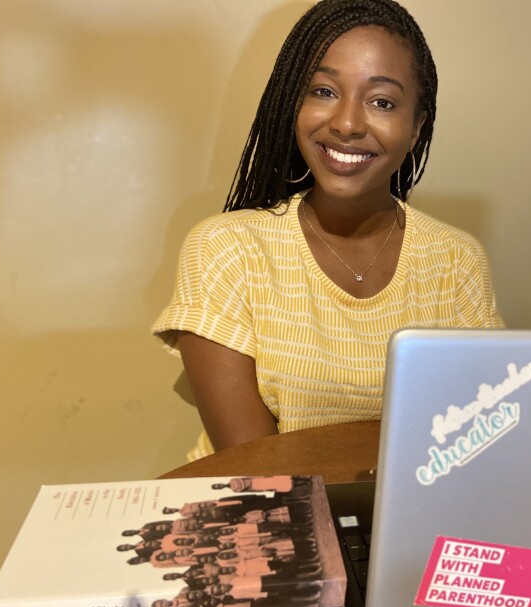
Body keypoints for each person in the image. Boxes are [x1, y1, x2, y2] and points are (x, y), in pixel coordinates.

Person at [153, 0, 503, 456]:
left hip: (400, 517)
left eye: (382, 101)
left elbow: (476, 439)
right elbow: (256, 467)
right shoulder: (226, 249)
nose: (348, 123)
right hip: (264, 514)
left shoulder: (456, 261)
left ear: (416, 127)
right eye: (323, 91)